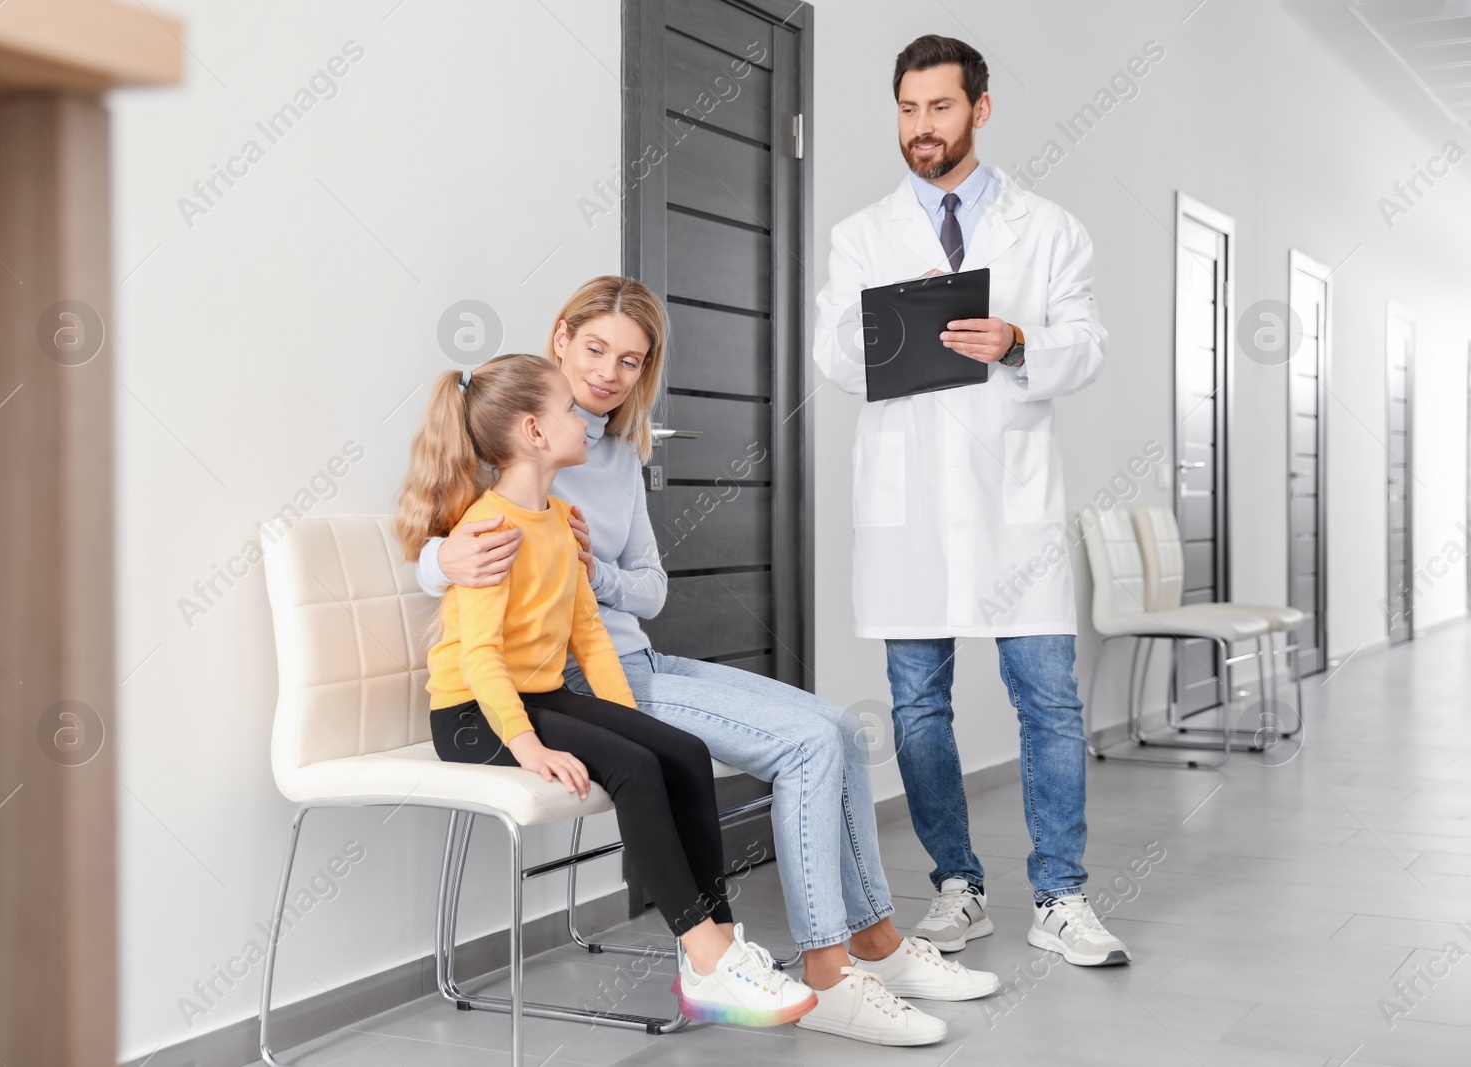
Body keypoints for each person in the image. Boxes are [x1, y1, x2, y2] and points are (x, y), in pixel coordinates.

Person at [415, 277, 1001, 1047]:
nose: (608, 373)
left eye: (631, 361)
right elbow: (446, 556)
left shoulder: (615, 454)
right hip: (568, 687)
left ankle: (876, 945)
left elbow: (647, 590)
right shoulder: (511, 425)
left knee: (833, 724)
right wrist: (444, 556)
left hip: (634, 658)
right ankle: (824, 975)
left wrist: (596, 569)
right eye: (595, 350)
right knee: (806, 744)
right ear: (560, 340)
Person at [811, 35, 1128, 968]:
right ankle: (958, 886)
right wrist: (890, 333)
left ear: (979, 110)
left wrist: (1020, 342)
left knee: (1050, 702)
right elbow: (832, 352)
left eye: (939, 109)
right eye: (908, 110)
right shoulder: (861, 236)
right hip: (908, 501)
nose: (921, 129)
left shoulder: (1052, 228)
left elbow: (1089, 341)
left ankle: (1062, 895)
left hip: (1013, 497)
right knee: (916, 707)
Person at [396, 352, 817, 1027]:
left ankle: (719, 944)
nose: (584, 420)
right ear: (534, 432)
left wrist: (626, 718)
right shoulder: (490, 530)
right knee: (636, 769)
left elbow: (589, 630)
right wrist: (526, 745)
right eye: (569, 408)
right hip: (475, 713)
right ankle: (704, 949)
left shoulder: (559, 518)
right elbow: (477, 657)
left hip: (537, 695)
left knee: (677, 750)